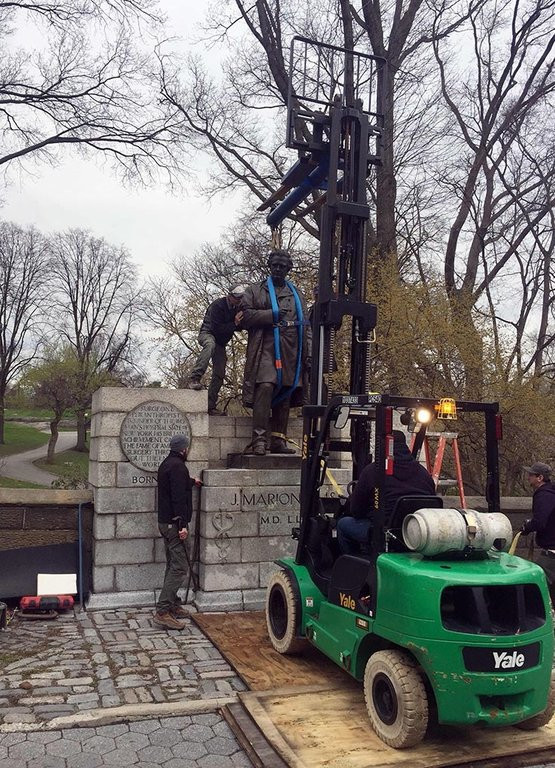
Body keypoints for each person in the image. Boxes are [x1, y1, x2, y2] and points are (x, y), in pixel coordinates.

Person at [241, 250, 310, 455]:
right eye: (275, 266)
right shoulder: (255, 290)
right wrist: (271, 315)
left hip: (291, 349)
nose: (278, 269)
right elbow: (244, 316)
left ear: (289, 269)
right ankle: (259, 439)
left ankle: (278, 439)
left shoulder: (297, 294)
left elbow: (306, 325)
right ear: (269, 266)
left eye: (282, 266)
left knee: (285, 392)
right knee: (266, 386)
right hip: (265, 347)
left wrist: (309, 353)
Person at [337, 430, 436, 555]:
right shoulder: (423, 473)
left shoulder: (373, 471)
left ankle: (355, 566)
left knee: (342, 524)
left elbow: (356, 510)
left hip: (385, 534)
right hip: (416, 534)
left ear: (384, 445)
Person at [153, 433, 202, 630]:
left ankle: (172, 603)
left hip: (166, 523)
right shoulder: (178, 466)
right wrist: (182, 525)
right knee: (180, 566)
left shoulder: (168, 464)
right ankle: (163, 611)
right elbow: (177, 498)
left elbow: (174, 486)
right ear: (184, 449)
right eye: (187, 448)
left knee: (172, 563)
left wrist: (191, 482)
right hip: (175, 524)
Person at [188, 286, 247, 414]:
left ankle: (210, 405)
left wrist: (239, 323)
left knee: (220, 372)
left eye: (241, 298)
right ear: (229, 296)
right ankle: (195, 378)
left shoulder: (239, 307)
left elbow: (239, 327)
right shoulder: (218, 306)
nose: (239, 300)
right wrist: (235, 324)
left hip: (220, 343)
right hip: (208, 334)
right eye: (237, 298)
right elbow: (218, 329)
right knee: (210, 345)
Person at [521, 461, 555, 603]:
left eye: (531, 475)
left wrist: (528, 527)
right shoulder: (551, 492)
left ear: (540, 478)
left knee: (536, 585)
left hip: (551, 551)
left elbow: (540, 521)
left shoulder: (543, 495)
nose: (528, 477)